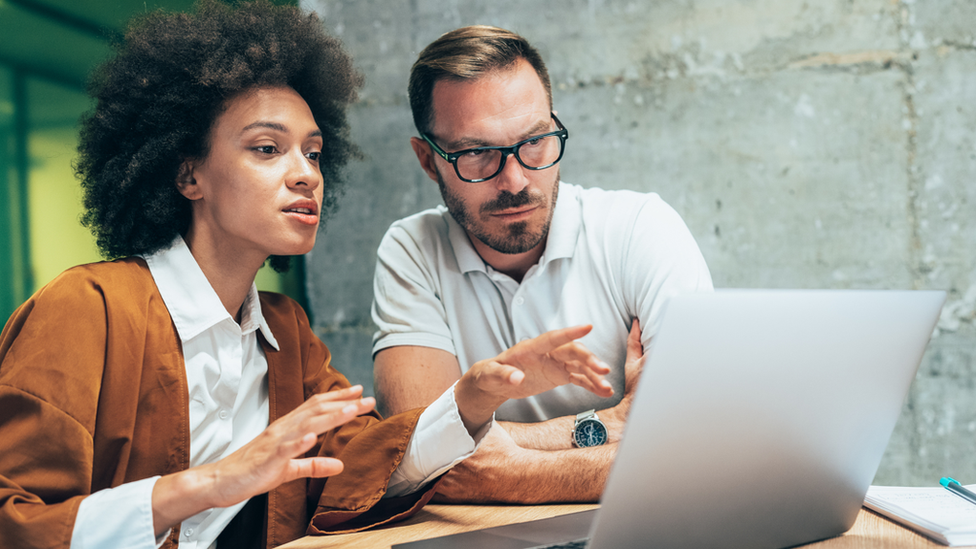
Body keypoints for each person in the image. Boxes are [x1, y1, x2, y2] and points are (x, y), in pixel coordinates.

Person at [0, 5, 614, 548]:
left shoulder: (285, 332)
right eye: (267, 149)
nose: (306, 175)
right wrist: (208, 485)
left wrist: (473, 397)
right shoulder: (86, 309)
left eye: (314, 153)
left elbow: (356, 468)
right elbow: (15, 524)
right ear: (189, 175)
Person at [371, 25, 713, 504]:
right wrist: (609, 424)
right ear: (428, 160)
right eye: (476, 153)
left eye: (535, 141)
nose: (515, 180)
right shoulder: (413, 249)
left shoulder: (640, 228)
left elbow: (701, 443)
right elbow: (412, 456)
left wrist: (510, 470)